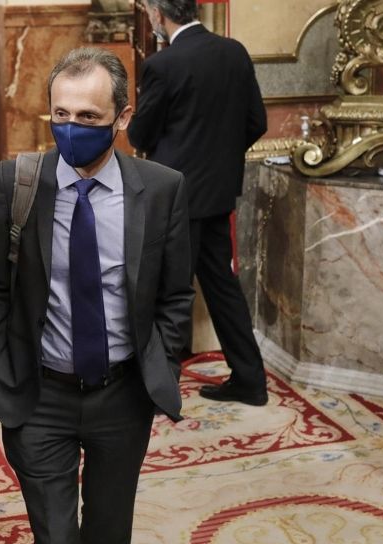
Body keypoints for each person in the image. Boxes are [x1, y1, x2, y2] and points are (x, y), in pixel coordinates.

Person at [0, 47, 193, 544]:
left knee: (107, 542)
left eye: (89, 117)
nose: (71, 128)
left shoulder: (161, 189)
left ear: (122, 117)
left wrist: (162, 367)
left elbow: (175, 295)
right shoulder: (17, 182)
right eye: (61, 114)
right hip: (38, 395)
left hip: (122, 396)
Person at [128, 0, 270, 406]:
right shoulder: (234, 52)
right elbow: (256, 122)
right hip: (218, 193)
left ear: (159, 14)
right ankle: (251, 380)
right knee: (222, 286)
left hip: (176, 197)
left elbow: (141, 134)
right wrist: (219, 159)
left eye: (149, 11)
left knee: (170, 292)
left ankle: (160, 390)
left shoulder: (163, 65)